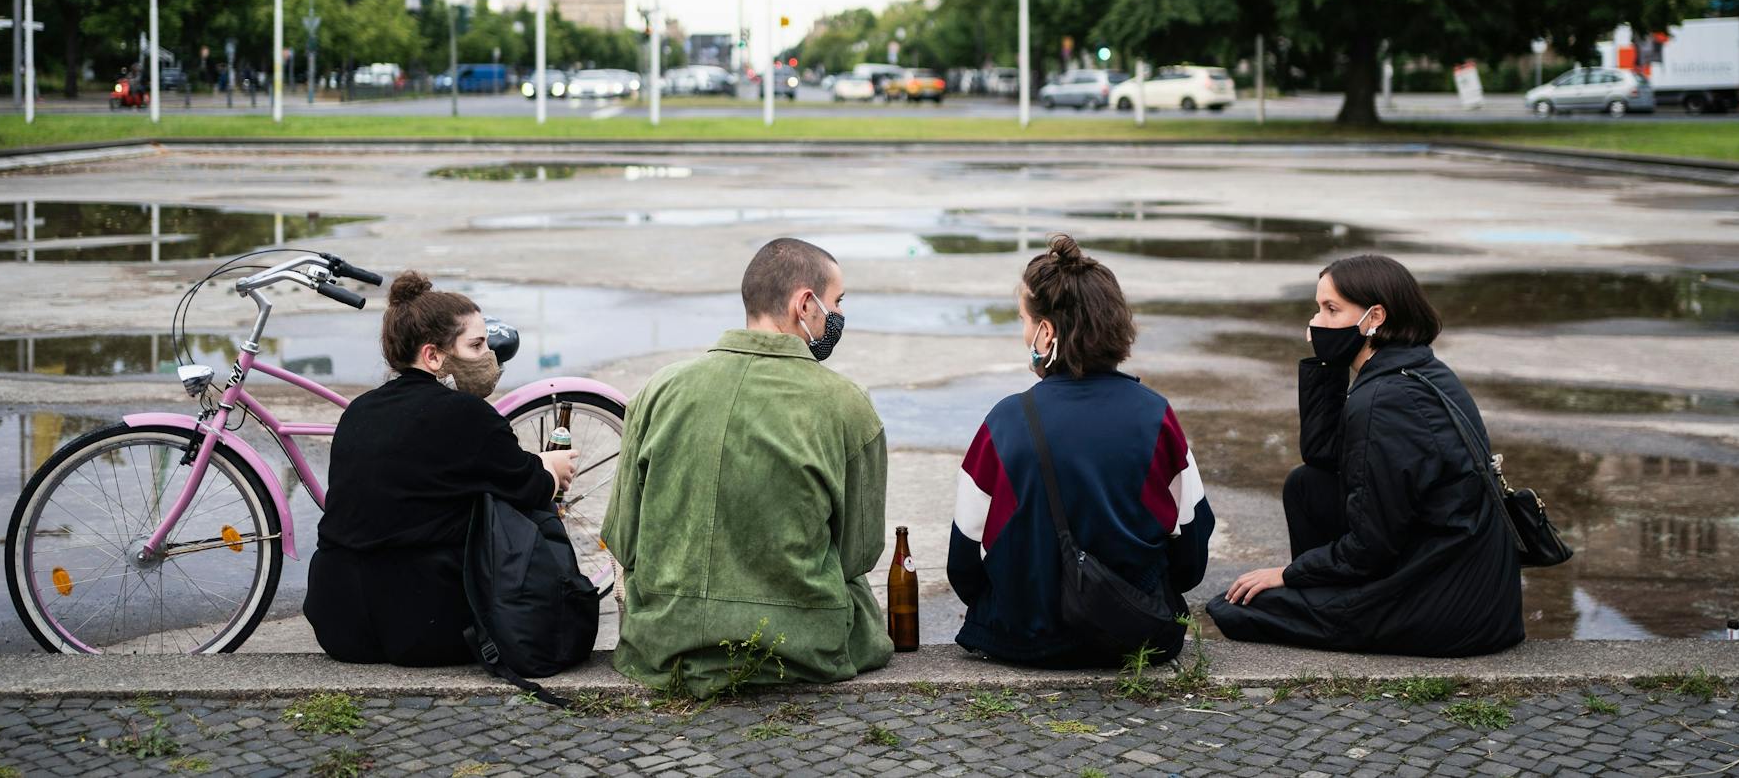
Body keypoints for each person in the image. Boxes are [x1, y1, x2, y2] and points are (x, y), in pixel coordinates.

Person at [600, 238, 891, 696]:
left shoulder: (660, 390)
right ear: (804, 304)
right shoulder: (846, 404)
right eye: (836, 302)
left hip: (666, 644)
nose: (838, 315)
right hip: (799, 647)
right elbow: (860, 552)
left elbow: (623, 537)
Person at [1206, 254, 1523, 656]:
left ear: (1374, 317)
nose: (1315, 322)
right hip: (1468, 589)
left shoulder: (1384, 400)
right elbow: (1323, 457)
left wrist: (1289, 574)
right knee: (1307, 485)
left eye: (1331, 309)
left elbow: (1372, 545)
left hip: (1450, 608)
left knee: (1234, 607)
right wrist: (1327, 363)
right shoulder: (1416, 369)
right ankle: (1332, 595)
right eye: (1318, 308)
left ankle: (1337, 600)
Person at [947, 234, 1214, 666]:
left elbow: (964, 561)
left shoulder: (1006, 423)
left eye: (1025, 321)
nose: (1024, 334)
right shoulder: (1156, 416)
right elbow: (1191, 553)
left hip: (1024, 638)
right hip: (1135, 634)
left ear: (1046, 332)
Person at [304, 272, 577, 666]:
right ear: (432, 356)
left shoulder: (360, 410)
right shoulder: (466, 414)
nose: (489, 356)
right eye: (477, 345)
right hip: (424, 630)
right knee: (528, 510)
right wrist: (551, 468)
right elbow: (531, 488)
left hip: (339, 624)